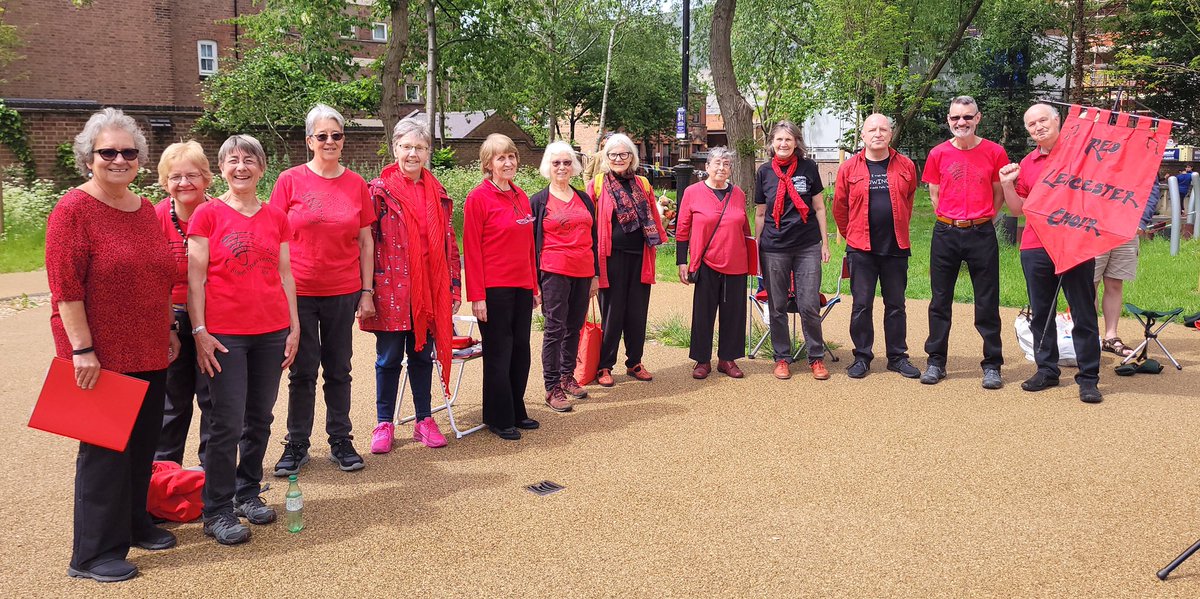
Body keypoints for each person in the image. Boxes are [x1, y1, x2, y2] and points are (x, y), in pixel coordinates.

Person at [48, 108, 178, 582]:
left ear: (140, 159)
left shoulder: (144, 210)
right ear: (89, 158)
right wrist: (81, 349)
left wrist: (167, 330)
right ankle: (92, 553)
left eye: (128, 152)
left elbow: (159, 278)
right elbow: (66, 288)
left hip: (148, 346)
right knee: (105, 452)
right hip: (98, 354)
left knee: (143, 446)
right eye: (109, 152)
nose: (119, 159)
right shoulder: (72, 210)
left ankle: (134, 523)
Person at [188, 134, 300, 544]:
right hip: (225, 336)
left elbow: (286, 274)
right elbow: (195, 280)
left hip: (270, 331)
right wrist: (199, 331)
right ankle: (216, 509)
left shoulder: (276, 217)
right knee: (226, 422)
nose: (241, 167)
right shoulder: (207, 215)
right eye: (233, 160)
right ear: (221, 168)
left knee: (261, 417)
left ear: (261, 168)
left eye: (249, 160)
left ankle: (247, 490)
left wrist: (294, 326)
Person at [270, 104, 376, 475]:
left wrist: (367, 291)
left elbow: (366, 242)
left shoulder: (356, 184)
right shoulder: (290, 180)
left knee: (338, 368)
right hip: (297, 291)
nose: (330, 141)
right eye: (322, 135)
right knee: (301, 369)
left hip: (342, 290)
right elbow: (274, 237)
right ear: (309, 140)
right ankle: (296, 443)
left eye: (336, 135)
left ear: (343, 140)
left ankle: (340, 439)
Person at [359, 117, 461, 453]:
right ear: (395, 149)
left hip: (430, 292)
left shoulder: (438, 193)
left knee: (421, 357)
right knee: (388, 359)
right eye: (406, 147)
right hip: (390, 290)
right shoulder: (378, 192)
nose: (412, 153)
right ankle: (384, 422)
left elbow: (449, 244)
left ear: (428, 152)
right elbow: (366, 245)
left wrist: (454, 288)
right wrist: (367, 292)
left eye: (419, 147)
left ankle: (423, 420)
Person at [999, 103, 1103, 403]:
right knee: (1041, 313)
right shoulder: (1028, 163)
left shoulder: (1080, 155)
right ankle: (1047, 369)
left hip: (1074, 245)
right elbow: (1018, 209)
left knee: (1082, 312)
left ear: (1058, 121)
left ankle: (1089, 376)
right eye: (1031, 124)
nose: (1038, 127)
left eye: (1043, 120)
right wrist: (1008, 185)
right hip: (1035, 245)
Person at [919, 95, 1009, 389]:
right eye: (956, 117)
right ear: (948, 120)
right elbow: (934, 192)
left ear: (978, 118)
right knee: (940, 300)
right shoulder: (938, 154)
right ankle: (935, 361)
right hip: (946, 232)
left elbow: (999, 192)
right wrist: (950, 218)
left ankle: (992, 364)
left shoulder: (995, 152)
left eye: (967, 117)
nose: (962, 122)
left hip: (981, 232)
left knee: (986, 300)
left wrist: (985, 218)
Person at [831, 114, 921, 380]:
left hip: (895, 247)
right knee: (861, 305)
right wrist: (853, 236)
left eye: (883, 129)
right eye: (872, 129)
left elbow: (909, 201)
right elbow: (840, 208)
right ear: (863, 136)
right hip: (861, 249)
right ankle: (861, 357)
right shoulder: (848, 168)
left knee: (896, 305)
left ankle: (897, 357)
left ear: (890, 134)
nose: (878, 134)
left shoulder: (906, 165)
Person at [464, 133, 541, 440]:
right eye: (500, 158)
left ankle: (516, 408)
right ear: (489, 164)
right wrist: (477, 296)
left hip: (522, 285)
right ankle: (497, 416)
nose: (507, 162)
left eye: (511, 157)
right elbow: (471, 249)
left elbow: (528, 248)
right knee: (500, 352)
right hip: (494, 288)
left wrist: (534, 286)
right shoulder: (478, 198)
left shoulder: (521, 196)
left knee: (521, 350)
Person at [586, 134, 667, 387]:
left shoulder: (642, 183)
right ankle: (604, 366)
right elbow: (589, 225)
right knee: (612, 313)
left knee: (636, 312)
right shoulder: (597, 185)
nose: (619, 159)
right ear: (606, 158)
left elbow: (653, 215)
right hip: (609, 259)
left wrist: (661, 231)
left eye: (624, 154)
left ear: (632, 157)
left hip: (639, 257)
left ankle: (635, 362)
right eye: (613, 155)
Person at [153, 140, 214, 467]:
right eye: (175, 177)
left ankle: (212, 473)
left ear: (206, 178)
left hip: (213, 317)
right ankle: (165, 473)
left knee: (212, 400)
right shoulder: (155, 218)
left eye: (192, 175)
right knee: (173, 403)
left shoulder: (220, 214)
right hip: (173, 316)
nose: (184, 183)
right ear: (165, 182)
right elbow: (154, 277)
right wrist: (168, 327)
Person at [754, 120, 830, 380]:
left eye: (788, 139)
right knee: (777, 305)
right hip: (774, 247)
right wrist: (757, 247)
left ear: (796, 142)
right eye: (779, 140)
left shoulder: (809, 168)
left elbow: (819, 208)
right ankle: (782, 357)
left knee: (809, 304)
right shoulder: (764, 172)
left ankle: (816, 357)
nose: (783, 144)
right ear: (771, 144)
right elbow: (761, 213)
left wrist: (825, 244)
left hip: (807, 246)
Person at [530, 141, 598, 412]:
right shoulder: (538, 200)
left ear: (574, 166)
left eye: (567, 162)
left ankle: (567, 375)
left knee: (575, 326)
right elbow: (530, 243)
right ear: (548, 166)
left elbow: (593, 238)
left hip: (583, 270)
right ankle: (551, 387)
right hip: (553, 271)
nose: (562, 167)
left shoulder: (583, 198)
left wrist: (595, 275)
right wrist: (533, 281)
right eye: (556, 162)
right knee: (554, 328)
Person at [677, 147, 751, 379]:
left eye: (726, 164)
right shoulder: (692, 192)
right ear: (706, 167)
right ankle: (702, 359)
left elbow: (745, 228)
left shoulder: (738, 193)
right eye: (717, 163)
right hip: (706, 262)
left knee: (733, 313)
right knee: (703, 313)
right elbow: (682, 228)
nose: (721, 168)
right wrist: (682, 261)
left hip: (736, 261)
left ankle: (727, 359)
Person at [1094, 238, 1139, 358]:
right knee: (1089, 285)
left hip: (1125, 230)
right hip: (1092, 228)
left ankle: (1111, 338)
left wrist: (1142, 222)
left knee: (1115, 283)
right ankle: (1089, 338)